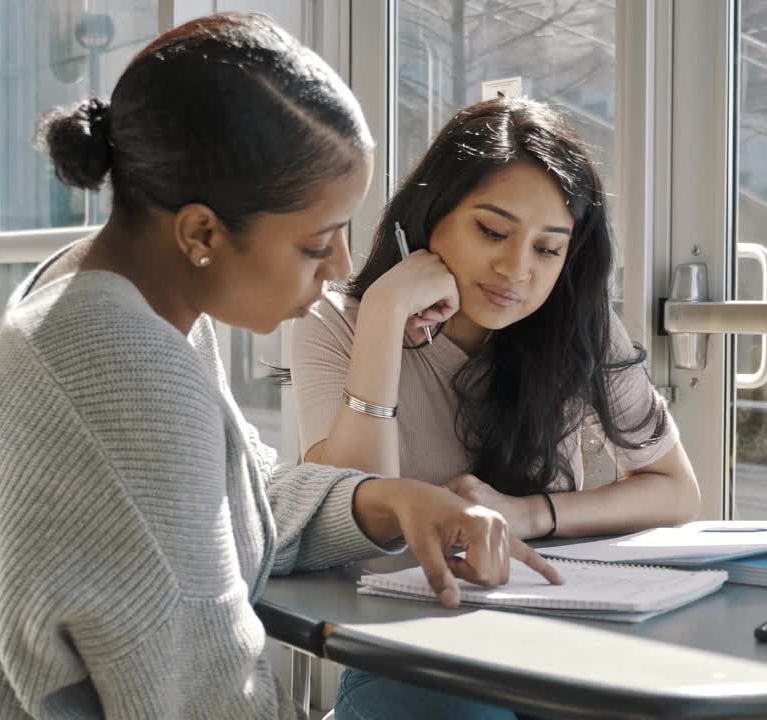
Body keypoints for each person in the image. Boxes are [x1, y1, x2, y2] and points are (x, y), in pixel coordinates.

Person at [0, 13, 559, 720]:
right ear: (201, 232)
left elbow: (229, 498)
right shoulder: (121, 380)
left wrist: (382, 502)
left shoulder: (108, 298)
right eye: (316, 242)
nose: (341, 269)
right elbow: (210, 700)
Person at [289, 96, 700, 720]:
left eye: (548, 249)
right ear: (431, 217)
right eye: (492, 231)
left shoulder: (577, 328)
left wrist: (525, 515)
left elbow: (676, 492)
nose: (516, 270)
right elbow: (354, 516)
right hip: (412, 649)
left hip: (557, 640)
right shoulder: (340, 324)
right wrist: (384, 315)